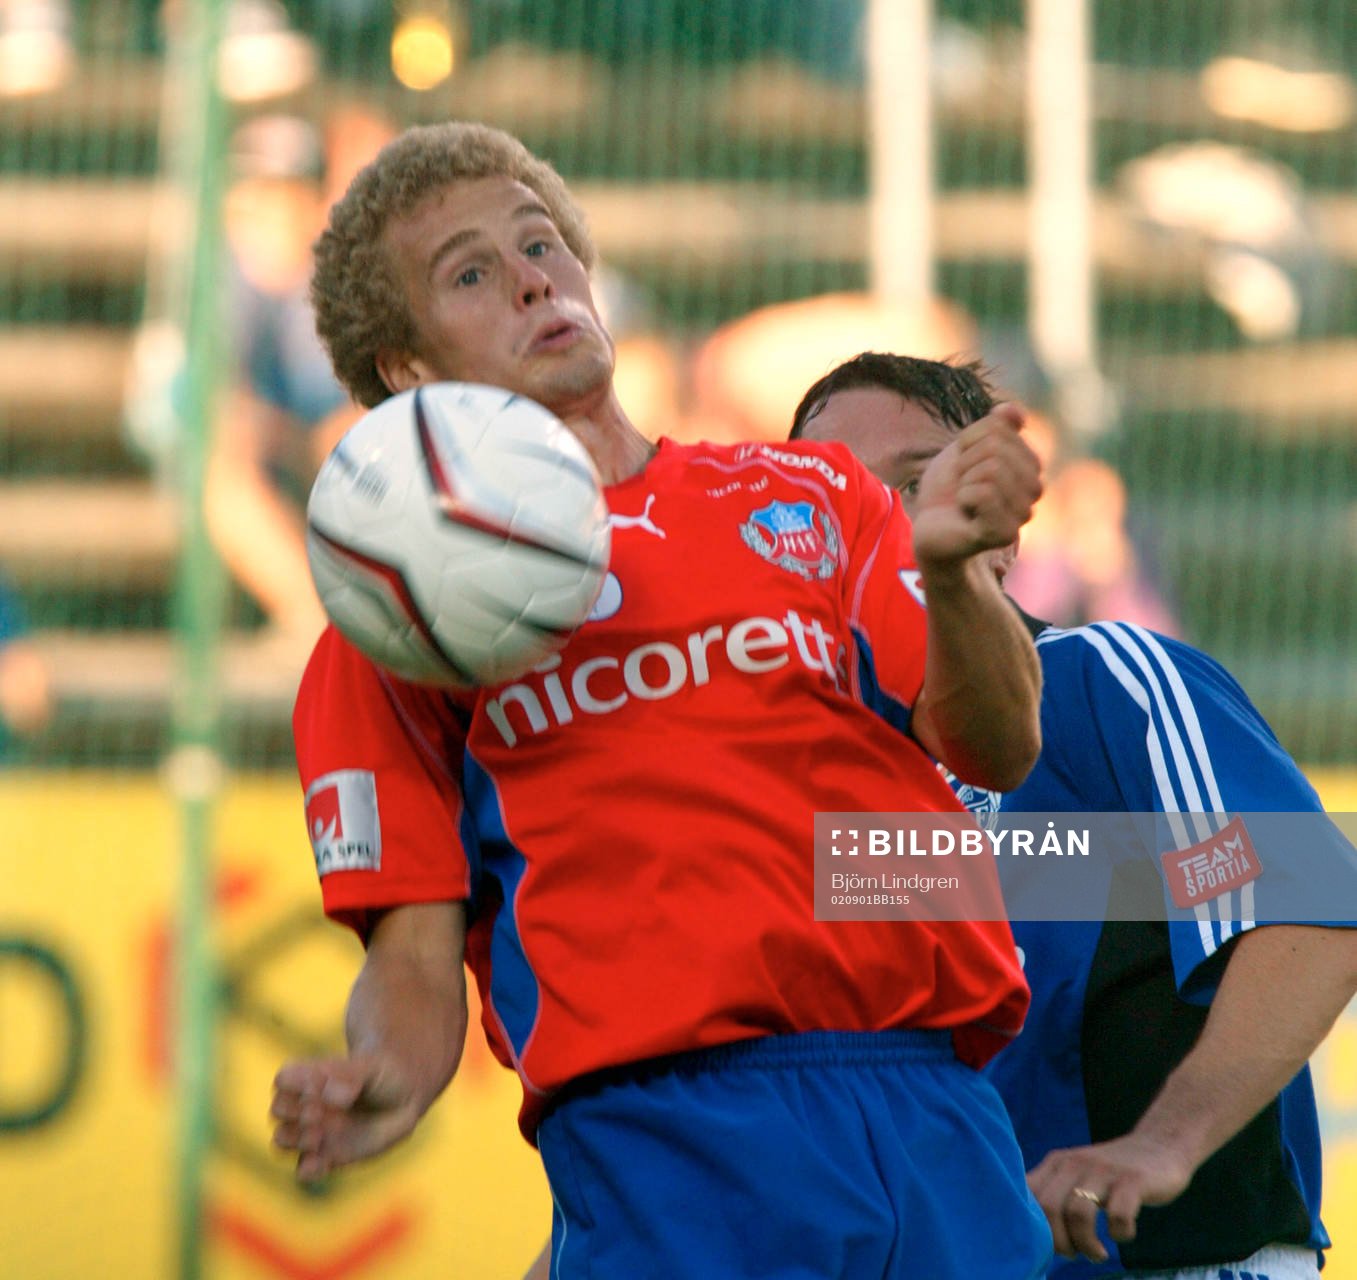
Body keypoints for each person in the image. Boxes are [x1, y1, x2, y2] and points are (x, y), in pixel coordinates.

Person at [271, 121, 1055, 1278]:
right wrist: (385, 1069)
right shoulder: (397, 626)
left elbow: (998, 749)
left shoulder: (814, 491)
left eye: (541, 243)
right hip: (671, 1147)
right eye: (470, 274)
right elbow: (415, 955)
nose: (532, 279)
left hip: (937, 1120)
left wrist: (950, 576)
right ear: (408, 369)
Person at [792, 351, 1357, 1280]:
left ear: (1005, 538)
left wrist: (1160, 1146)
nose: (888, 521)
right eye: (833, 502)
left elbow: (1305, 906)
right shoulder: (789, 785)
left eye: (921, 484)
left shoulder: (1107, 684)